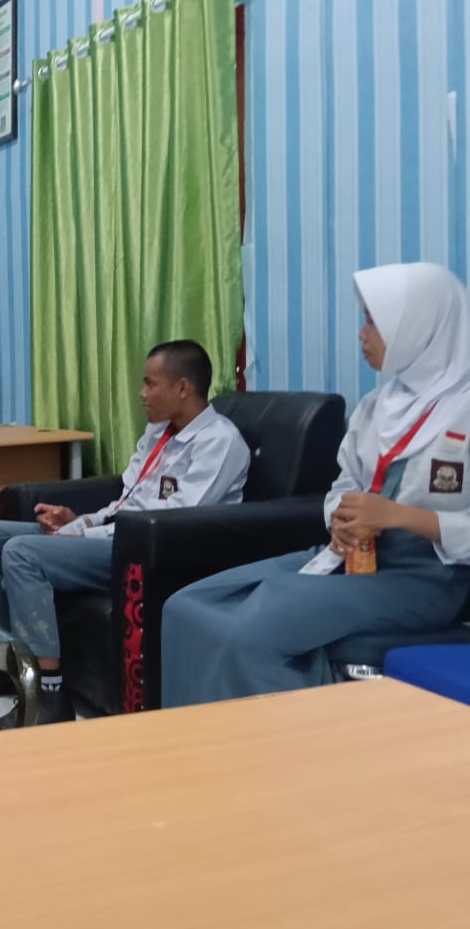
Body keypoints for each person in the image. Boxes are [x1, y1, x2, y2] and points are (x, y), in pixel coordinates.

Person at [161, 263, 470, 707]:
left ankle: (284, 746)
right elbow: (343, 484)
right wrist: (339, 518)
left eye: (374, 322)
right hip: (350, 556)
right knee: (187, 605)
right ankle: (190, 742)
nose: (363, 335)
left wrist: (403, 517)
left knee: (251, 631)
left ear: (420, 327)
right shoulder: (377, 407)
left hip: (423, 580)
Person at [0, 340, 250, 722]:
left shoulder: (219, 442)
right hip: (120, 538)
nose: (142, 393)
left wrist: (83, 537)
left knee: (22, 553)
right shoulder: (159, 433)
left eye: (150, 383)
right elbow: (127, 501)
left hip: (153, 555)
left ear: (182, 387)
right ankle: (2, 669)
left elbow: (170, 524)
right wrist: (80, 521)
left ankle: (49, 698)